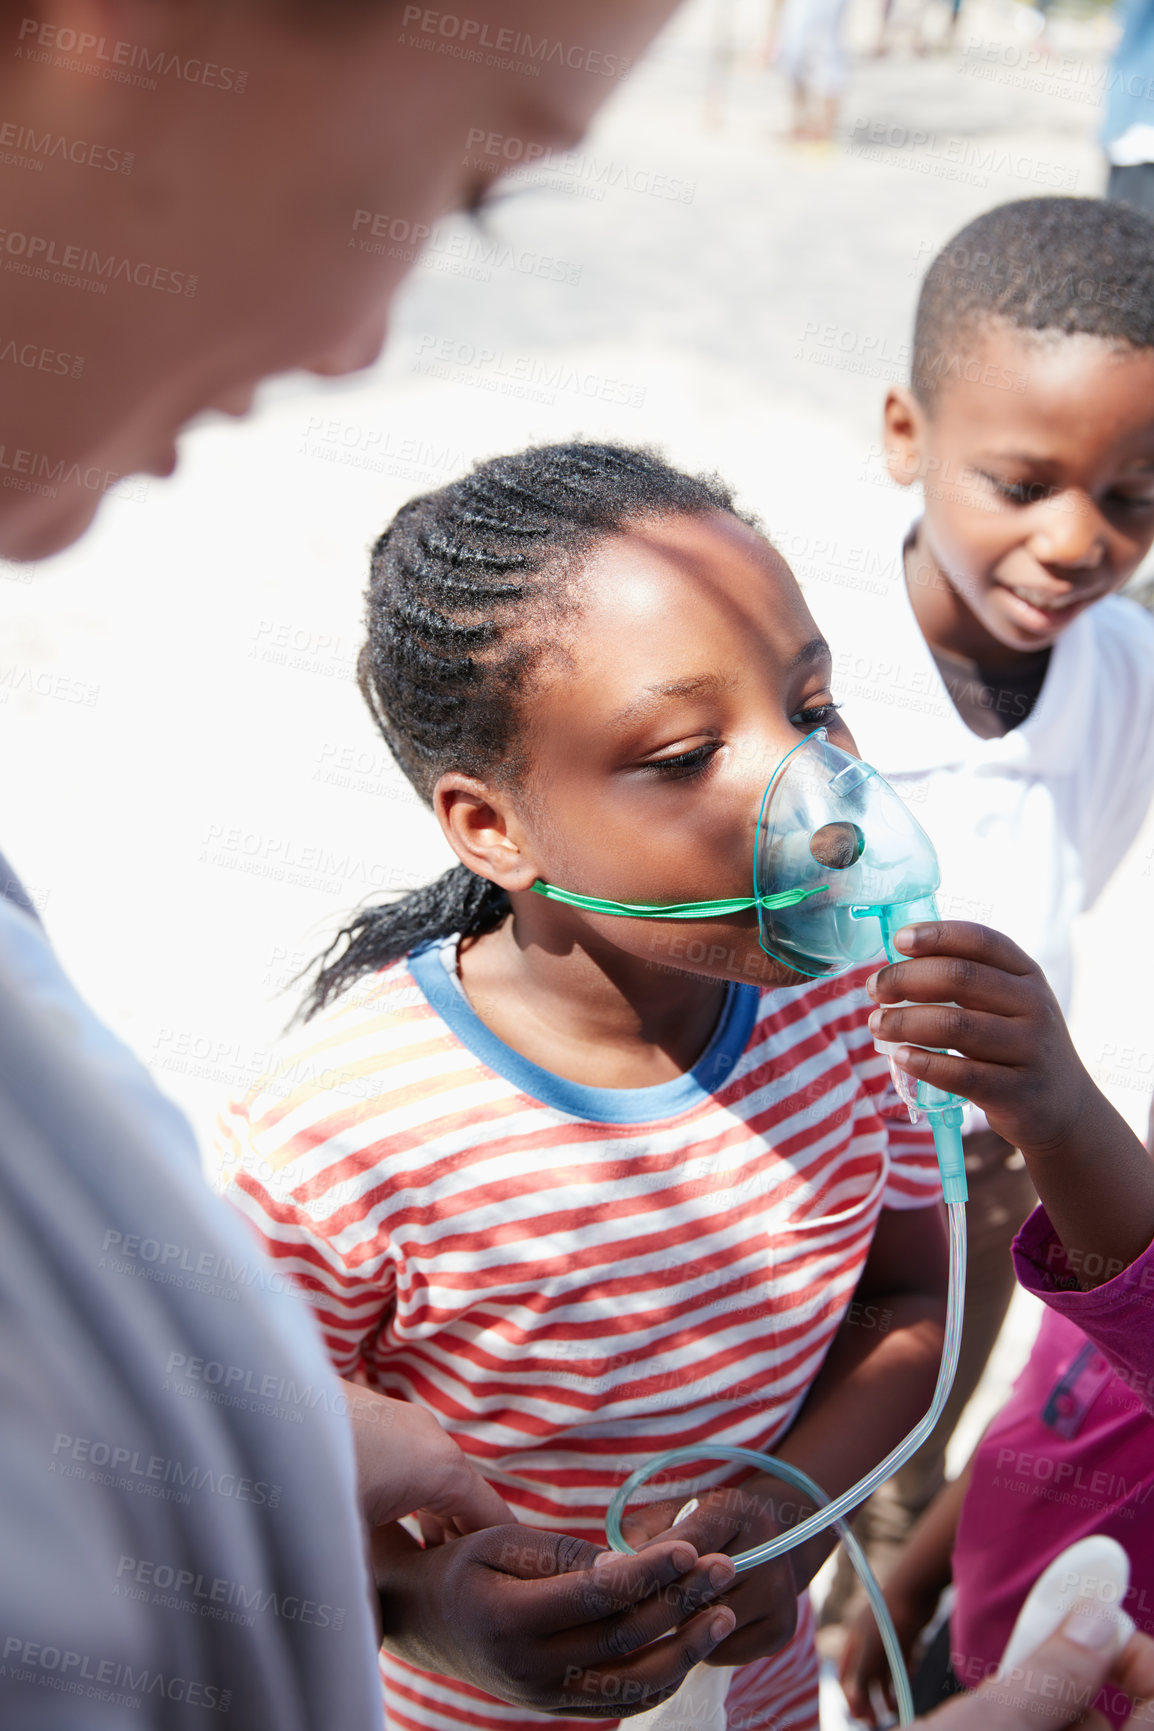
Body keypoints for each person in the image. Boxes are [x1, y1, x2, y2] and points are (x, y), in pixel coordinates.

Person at [0, 3, 762, 1725]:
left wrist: (273, 1461)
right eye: (471, 176)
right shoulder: (352, 1127)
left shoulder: (822, 1024)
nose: (361, 339)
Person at [214, 438, 1145, 1731]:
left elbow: (902, 1293)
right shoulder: (340, 1137)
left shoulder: (839, 1010)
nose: (814, 803)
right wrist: (433, 1605)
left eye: (811, 710)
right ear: (495, 827)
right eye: (680, 753)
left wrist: (783, 1512)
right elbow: (226, 1482)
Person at [813, 195, 1154, 1638]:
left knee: (899, 1463)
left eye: (1133, 499)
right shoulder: (803, 671)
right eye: (1020, 482)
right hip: (806, 1170)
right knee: (763, 1460)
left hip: (994, 1183)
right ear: (906, 434)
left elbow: (1069, 874)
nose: (1075, 541)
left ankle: (860, 1644)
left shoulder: (1121, 671)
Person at [840, 928, 1154, 1729]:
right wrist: (911, 1581)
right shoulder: (1101, 1264)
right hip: (970, 1639)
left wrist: (1065, 1119)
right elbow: (1028, 1429)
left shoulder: (1127, 1279)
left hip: (1093, 1698)